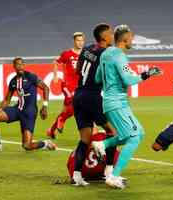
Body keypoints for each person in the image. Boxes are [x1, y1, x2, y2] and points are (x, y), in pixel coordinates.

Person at [93, 24, 162, 189]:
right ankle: (113, 176)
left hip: (110, 102)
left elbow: (97, 78)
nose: (132, 40)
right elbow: (128, 80)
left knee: (137, 133)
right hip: (117, 102)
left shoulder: (106, 53)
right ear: (124, 39)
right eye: (131, 38)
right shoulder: (119, 56)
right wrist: (148, 74)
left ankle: (103, 144)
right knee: (134, 137)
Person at [72, 23, 118, 186]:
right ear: (104, 37)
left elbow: (78, 69)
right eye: (110, 33)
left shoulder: (86, 49)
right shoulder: (105, 53)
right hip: (92, 96)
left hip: (78, 95)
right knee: (113, 132)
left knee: (85, 138)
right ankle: (109, 173)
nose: (112, 36)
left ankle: (77, 176)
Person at [0, 57, 56, 153]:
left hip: (29, 112)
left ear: (24, 65)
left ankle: (45, 143)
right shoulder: (13, 81)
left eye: (21, 64)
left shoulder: (31, 77)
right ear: (14, 66)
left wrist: (45, 106)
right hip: (17, 109)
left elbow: (46, 88)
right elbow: (7, 99)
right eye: (17, 64)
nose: (20, 66)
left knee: (27, 146)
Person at [47, 32, 85, 138]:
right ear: (74, 41)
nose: (80, 42)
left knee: (67, 110)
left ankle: (51, 130)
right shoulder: (67, 54)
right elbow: (56, 62)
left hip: (80, 86)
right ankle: (62, 120)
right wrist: (55, 76)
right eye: (78, 40)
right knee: (75, 104)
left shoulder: (86, 54)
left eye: (82, 40)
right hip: (68, 85)